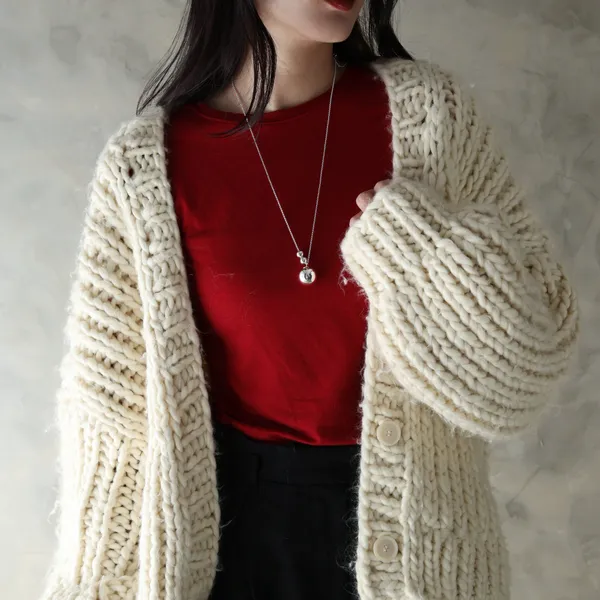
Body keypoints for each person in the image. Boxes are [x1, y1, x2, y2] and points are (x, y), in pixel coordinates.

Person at [41, 0, 579, 599]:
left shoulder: (432, 121)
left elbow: (523, 378)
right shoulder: (144, 169)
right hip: (220, 549)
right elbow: (114, 426)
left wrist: (415, 245)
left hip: (421, 551)